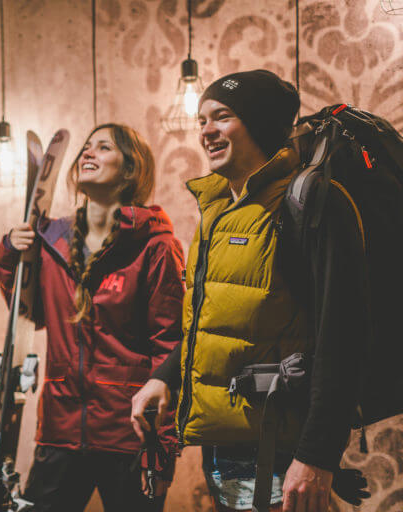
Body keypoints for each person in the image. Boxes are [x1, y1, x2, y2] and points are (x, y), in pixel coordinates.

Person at [131, 70, 368, 512]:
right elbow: (213, 325)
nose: (205, 131)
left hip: (282, 452)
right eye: (201, 120)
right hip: (223, 445)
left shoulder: (314, 200)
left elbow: (344, 337)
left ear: (258, 123)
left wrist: (316, 456)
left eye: (221, 117)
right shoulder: (218, 210)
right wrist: (164, 377)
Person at [0, 123, 185, 511]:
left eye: (104, 148)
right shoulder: (51, 242)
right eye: (86, 147)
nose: (88, 153)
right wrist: (10, 253)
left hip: (129, 435)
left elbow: (171, 347)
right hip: (60, 430)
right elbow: (32, 314)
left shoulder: (156, 246)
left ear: (130, 169)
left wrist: (163, 446)